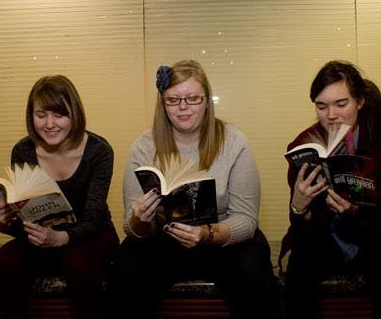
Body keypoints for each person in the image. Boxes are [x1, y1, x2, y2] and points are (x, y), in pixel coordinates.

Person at [108, 60, 281, 318]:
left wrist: (206, 233)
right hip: (163, 242)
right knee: (126, 265)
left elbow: (246, 220)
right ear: (162, 103)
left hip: (219, 239)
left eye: (193, 98)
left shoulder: (234, 141)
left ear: (207, 101)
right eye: (173, 100)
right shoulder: (144, 146)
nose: (183, 107)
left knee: (252, 261)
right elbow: (131, 228)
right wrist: (140, 221)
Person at [279, 60, 381, 319]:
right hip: (323, 239)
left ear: (360, 101)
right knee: (299, 264)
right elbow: (302, 228)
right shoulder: (304, 145)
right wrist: (300, 208)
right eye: (322, 106)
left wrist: (354, 212)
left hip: (374, 239)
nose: (331, 115)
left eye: (341, 104)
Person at [0, 75, 120, 319]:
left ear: (75, 114)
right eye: (41, 115)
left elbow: (93, 219)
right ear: (32, 116)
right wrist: (5, 224)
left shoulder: (99, 151)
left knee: (77, 262)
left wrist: (60, 238)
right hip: (43, 237)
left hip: (92, 235)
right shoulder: (23, 151)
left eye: (59, 115)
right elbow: (25, 220)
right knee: (4, 262)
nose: (49, 124)